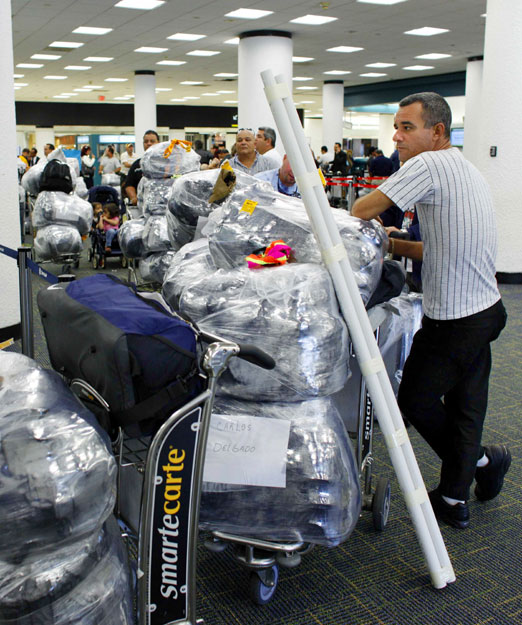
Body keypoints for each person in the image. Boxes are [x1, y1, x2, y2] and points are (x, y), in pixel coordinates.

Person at [351, 91, 509, 530]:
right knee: (466, 406)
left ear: (436, 131)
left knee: (416, 400)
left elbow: (361, 210)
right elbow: (432, 246)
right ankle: (457, 494)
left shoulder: (427, 164)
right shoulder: (463, 166)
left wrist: (370, 229)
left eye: (407, 127)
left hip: (455, 318)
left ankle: (478, 462)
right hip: (486, 309)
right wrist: (392, 243)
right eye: (395, 127)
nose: (397, 137)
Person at [123, 130, 160, 206]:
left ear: (158, 143)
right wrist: (134, 198)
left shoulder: (166, 163)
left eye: (152, 141)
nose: (149, 143)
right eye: (146, 141)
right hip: (142, 206)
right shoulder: (137, 164)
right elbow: (129, 185)